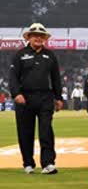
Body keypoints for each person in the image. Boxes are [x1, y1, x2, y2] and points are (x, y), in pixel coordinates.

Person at [9, 23, 65, 175]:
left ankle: (48, 163)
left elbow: (55, 78)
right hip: (24, 98)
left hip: (45, 97)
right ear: (29, 37)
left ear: (45, 38)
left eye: (41, 36)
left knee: (46, 129)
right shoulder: (20, 55)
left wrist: (58, 97)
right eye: (35, 36)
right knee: (25, 132)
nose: (38, 38)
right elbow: (13, 77)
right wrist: (16, 94)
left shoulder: (50, 55)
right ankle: (28, 163)